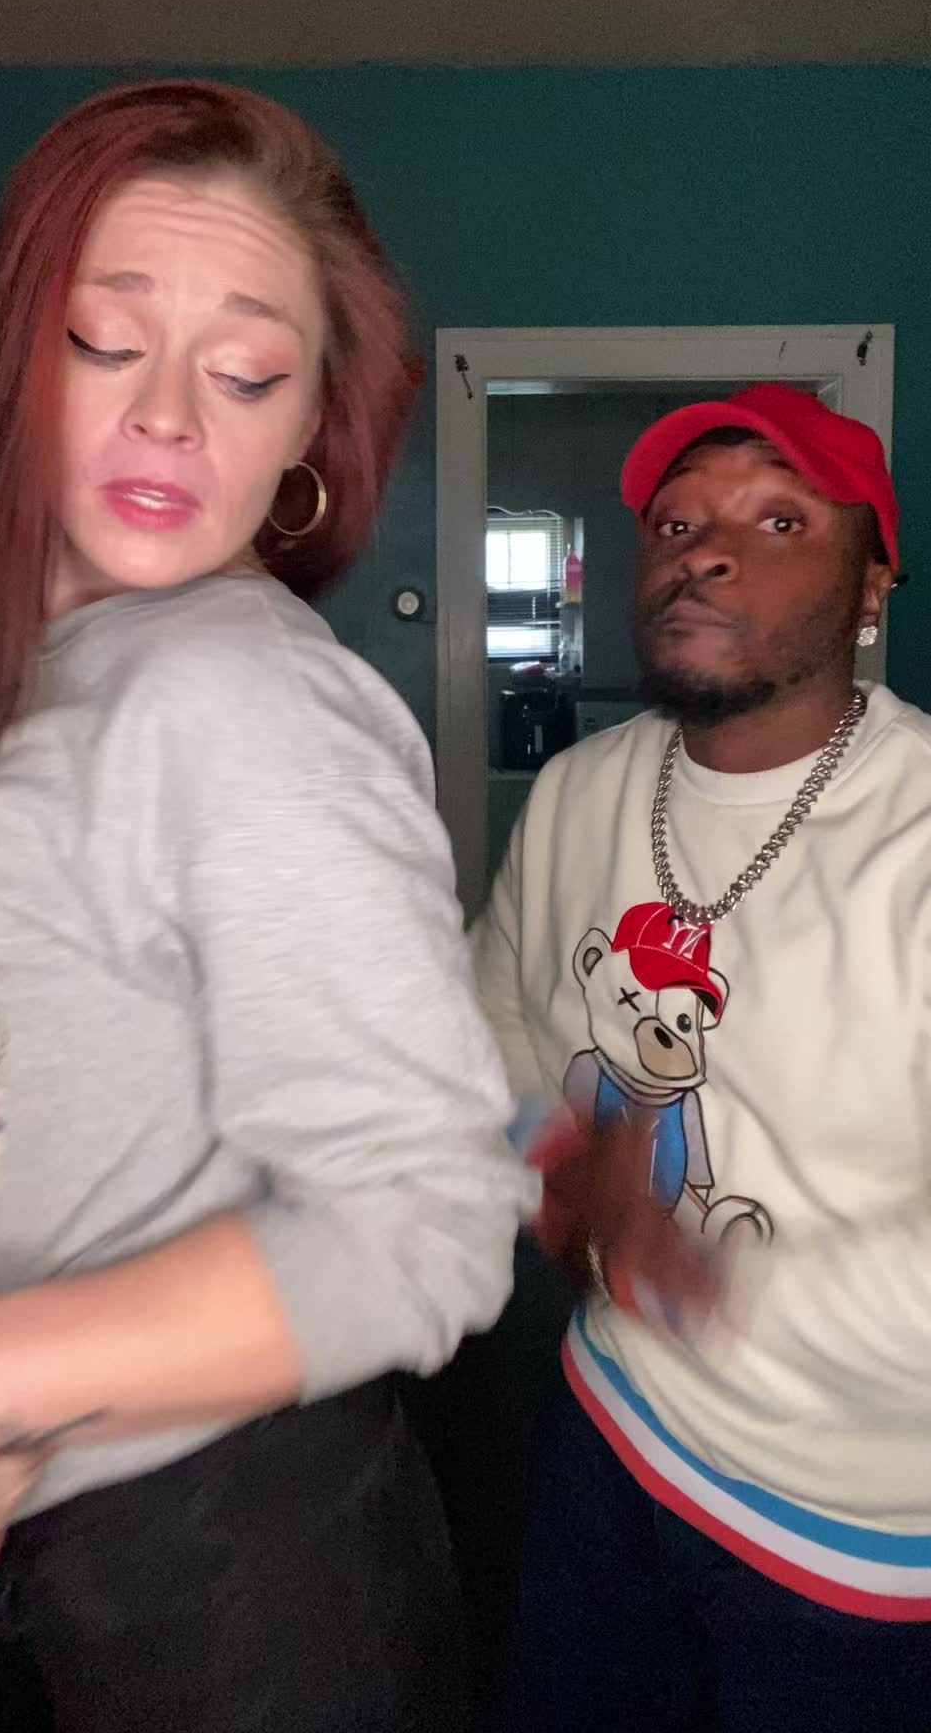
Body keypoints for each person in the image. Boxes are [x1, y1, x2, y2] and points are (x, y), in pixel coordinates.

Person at [0, 79, 532, 1732]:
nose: (169, 415)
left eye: (244, 374)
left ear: (306, 435)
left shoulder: (238, 700)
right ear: (15, 364)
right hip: (15, 1527)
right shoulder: (8, 682)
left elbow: (427, 1221)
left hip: (232, 1581)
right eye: (105, 340)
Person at [472, 383, 931, 1732]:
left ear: (871, 586)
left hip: (852, 1539)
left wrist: (697, 1280)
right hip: (609, 1429)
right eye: (678, 524)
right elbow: (494, 1004)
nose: (707, 552)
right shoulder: (581, 789)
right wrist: (552, 1163)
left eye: (779, 521)